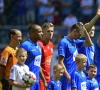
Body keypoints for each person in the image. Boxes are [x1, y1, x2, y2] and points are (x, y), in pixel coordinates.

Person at [57, 22, 92, 90]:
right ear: (74, 31)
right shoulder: (64, 42)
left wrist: (84, 30)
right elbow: (60, 62)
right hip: (67, 77)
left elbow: (89, 43)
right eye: (79, 34)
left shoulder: (75, 42)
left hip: (74, 76)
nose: (79, 36)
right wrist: (67, 76)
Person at [20, 24, 47, 90]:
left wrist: (44, 81)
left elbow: (38, 64)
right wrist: (25, 81)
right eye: (39, 31)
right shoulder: (25, 45)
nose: (42, 33)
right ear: (32, 33)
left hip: (36, 81)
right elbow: (19, 64)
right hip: (27, 82)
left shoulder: (39, 46)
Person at [38, 22, 54, 90]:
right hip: (40, 79)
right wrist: (44, 80)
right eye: (48, 31)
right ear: (43, 32)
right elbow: (38, 64)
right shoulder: (39, 44)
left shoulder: (51, 45)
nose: (50, 33)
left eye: (52, 31)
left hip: (48, 78)